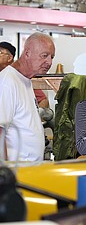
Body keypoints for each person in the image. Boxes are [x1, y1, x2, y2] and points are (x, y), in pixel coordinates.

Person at [0, 32, 55, 161]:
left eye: (52, 57)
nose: (49, 62)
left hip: (29, 169)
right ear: (27, 53)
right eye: (44, 56)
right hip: (15, 172)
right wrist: (5, 172)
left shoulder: (25, 80)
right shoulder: (7, 82)